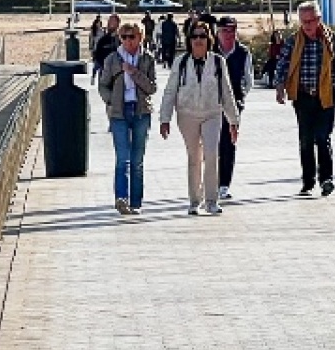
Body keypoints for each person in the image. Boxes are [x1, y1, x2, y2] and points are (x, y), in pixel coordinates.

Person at [160, 24, 242, 215]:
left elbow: (227, 92)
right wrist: (165, 118)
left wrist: (233, 121)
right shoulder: (180, 63)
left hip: (212, 113)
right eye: (195, 36)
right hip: (187, 114)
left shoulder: (218, 62)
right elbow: (170, 91)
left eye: (203, 36)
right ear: (189, 40)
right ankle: (194, 200)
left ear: (209, 39)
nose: (198, 40)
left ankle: (211, 200)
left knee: (212, 154)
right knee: (194, 157)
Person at [275, 0, 335, 196]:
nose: (307, 26)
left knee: (322, 138)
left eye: (311, 21)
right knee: (306, 140)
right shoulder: (294, 40)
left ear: (319, 19)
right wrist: (280, 87)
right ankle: (308, 181)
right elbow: (282, 65)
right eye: (304, 21)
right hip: (303, 97)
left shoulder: (330, 39)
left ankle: (326, 179)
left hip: (326, 96)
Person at [97, 20, 159, 215]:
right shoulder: (112, 60)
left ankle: (136, 202)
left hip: (141, 112)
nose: (127, 41)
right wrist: (110, 102)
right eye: (123, 37)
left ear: (140, 37)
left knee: (137, 160)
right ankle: (121, 198)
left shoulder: (147, 59)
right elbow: (103, 85)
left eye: (131, 36)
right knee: (122, 158)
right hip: (119, 113)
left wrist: (134, 73)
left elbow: (151, 87)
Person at [212, 16, 253, 200]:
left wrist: (240, 97)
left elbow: (248, 79)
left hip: (233, 105)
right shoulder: (209, 51)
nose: (229, 34)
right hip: (210, 104)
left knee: (229, 143)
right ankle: (210, 182)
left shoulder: (243, 53)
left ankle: (224, 184)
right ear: (217, 32)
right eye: (224, 30)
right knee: (211, 145)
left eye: (232, 30)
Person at [91, 14, 122, 84]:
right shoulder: (103, 40)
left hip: (117, 73)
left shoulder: (122, 39)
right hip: (105, 72)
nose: (110, 24)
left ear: (118, 24)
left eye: (113, 22)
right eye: (109, 21)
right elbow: (98, 55)